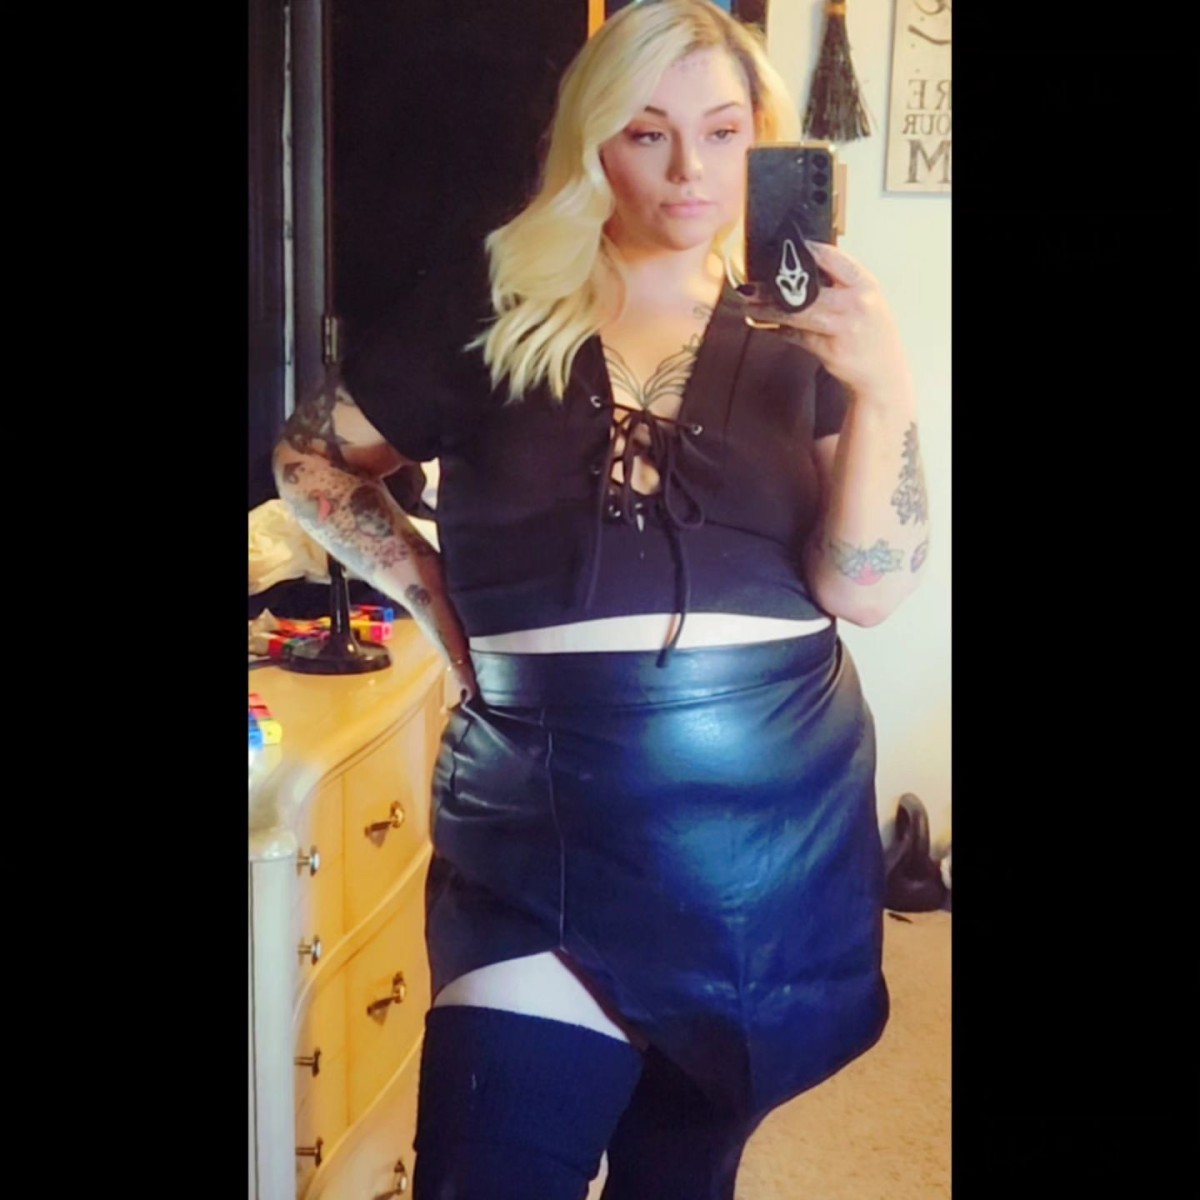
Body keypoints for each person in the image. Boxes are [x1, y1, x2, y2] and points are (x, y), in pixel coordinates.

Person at [272, 1, 929, 1195]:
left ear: (763, 136)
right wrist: (428, 592)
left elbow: (865, 587)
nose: (689, 171)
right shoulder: (491, 303)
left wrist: (884, 385)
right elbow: (310, 461)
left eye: (723, 132)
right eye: (646, 132)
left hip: (771, 830)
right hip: (546, 818)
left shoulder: (815, 325)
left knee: (682, 1177)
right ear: (591, 144)